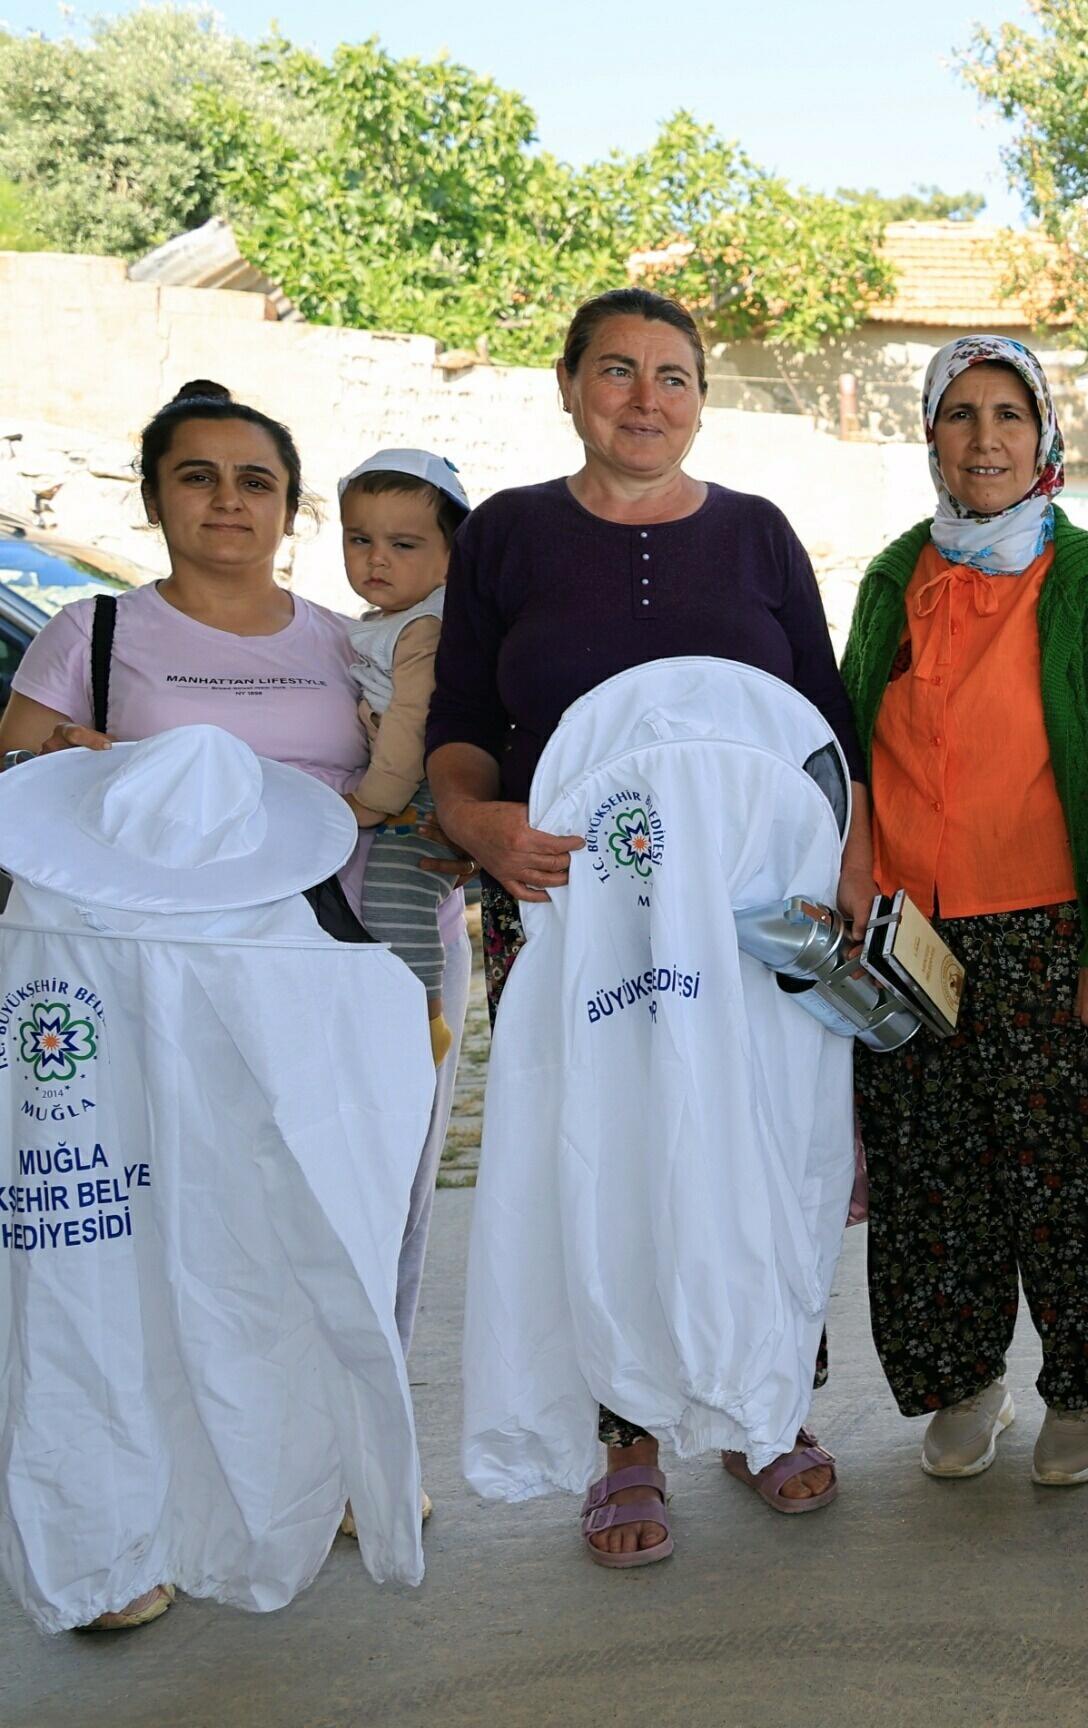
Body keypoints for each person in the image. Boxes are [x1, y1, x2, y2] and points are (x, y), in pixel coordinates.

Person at [0, 380, 464, 1627]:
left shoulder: (349, 638)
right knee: (156, 1236)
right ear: (155, 497)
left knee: (346, 1216)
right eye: (196, 476)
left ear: (290, 508)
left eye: (255, 480)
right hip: (153, 992)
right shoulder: (93, 632)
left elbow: (421, 770)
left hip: (336, 972)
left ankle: (343, 1458)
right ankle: (129, 1518)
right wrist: (100, 764)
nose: (226, 501)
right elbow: (18, 784)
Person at [424, 289, 870, 1567]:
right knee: (604, 1150)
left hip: (748, 915)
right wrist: (478, 823)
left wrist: (849, 860)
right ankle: (627, 1442)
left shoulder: (757, 533)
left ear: (702, 401)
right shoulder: (507, 534)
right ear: (570, 387)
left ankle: (759, 1401)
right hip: (568, 906)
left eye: (673, 376)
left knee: (756, 1139)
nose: (644, 398)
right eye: (616, 371)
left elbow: (826, 724)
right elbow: (461, 724)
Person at [838, 333, 1088, 1490]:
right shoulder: (894, 577)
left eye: (1008, 415)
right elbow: (849, 753)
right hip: (911, 939)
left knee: (1071, 1179)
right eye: (960, 414)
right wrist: (854, 895)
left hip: (1051, 931)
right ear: (931, 436)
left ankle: (1082, 1389)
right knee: (933, 1178)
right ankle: (965, 1380)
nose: (985, 439)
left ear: (1044, 439)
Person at [339, 449, 471, 1067]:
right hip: (408, 779)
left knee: (397, 893)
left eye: (403, 545)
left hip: (418, 784)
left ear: (450, 560)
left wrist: (373, 801)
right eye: (360, 539)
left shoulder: (424, 629)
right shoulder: (395, 619)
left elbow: (412, 723)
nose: (377, 558)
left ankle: (423, 1023)